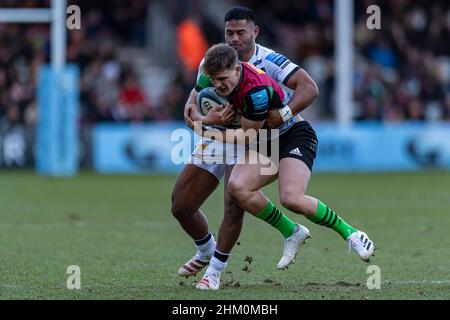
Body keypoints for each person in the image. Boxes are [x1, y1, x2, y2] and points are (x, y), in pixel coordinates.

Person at [194, 43, 375, 290]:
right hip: (265, 144)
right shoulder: (209, 78)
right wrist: (205, 119)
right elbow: (192, 108)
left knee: (291, 198)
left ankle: (352, 233)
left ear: (237, 69)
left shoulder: (254, 91)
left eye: (223, 79)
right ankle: (291, 231)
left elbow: (245, 136)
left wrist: (207, 128)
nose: (218, 86)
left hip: (293, 136)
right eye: (214, 80)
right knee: (237, 188)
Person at [172, 7, 319, 279]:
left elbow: (309, 87)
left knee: (233, 200)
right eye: (230, 33)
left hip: (253, 138)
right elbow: (191, 107)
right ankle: (205, 250)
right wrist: (205, 117)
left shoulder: (270, 60)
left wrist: (284, 113)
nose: (235, 38)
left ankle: (215, 271)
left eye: (241, 32)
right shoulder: (213, 61)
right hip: (219, 134)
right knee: (181, 205)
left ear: (255, 32)